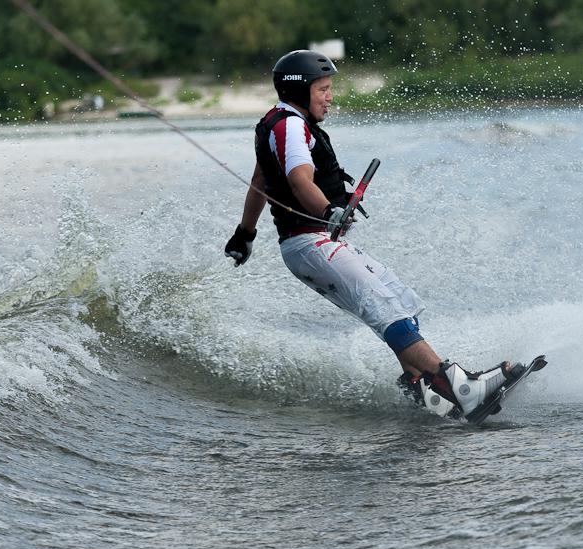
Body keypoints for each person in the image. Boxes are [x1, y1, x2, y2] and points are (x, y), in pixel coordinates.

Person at [224, 50, 525, 420]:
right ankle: (461, 387)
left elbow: (260, 181)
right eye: (323, 90)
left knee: (398, 299)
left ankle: (422, 385)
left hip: (321, 242)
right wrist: (328, 211)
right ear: (299, 90)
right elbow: (299, 181)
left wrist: (245, 232)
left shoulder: (280, 125)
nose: (330, 97)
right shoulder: (289, 127)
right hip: (309, 243)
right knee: (381, 306)